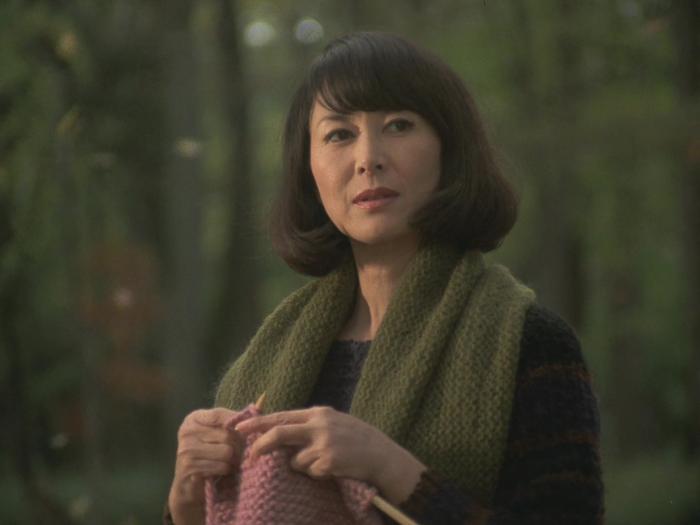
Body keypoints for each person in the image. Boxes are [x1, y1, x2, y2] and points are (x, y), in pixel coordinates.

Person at [165, 32, 604, 525]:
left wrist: (392, 469)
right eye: (339, 134)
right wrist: (186, 504)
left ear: (449, 149)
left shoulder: (530, 342)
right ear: (309, 168)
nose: (368, 158)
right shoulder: (264, 361)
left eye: (398, 125)